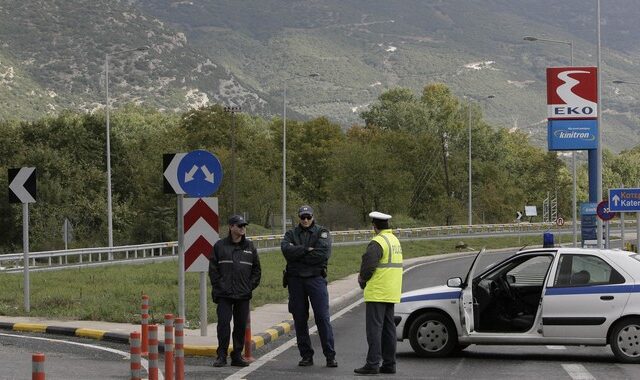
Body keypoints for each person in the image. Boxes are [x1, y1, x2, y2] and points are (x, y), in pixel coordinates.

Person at [281, 205, 338, 368]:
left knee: (322, 317)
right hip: (295, 281)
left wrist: (298, 254)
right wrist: (307, 250)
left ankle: (330, 355)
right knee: (299, 319)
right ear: (298, 217)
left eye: (308, 217)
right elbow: (286, 251)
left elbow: (322, 254)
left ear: (313, 217)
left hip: (315, 279)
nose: (305, 220)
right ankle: (306, 355)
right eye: (302, 217)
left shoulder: (322, 232)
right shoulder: (291, 234)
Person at [354, 211, 403, 375]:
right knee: (389, 329)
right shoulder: (394, 240)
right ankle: (389, 364)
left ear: (374, 226)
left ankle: (372, 364)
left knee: (374, 330)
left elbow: (368, 267)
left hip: (378, 291)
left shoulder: (377, 242)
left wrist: (362, 279)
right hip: (391, 291)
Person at [209, 215, 261, 367]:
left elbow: (257, 270)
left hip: (243, 294)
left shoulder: (250, 247)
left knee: (240, 327)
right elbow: (213, 270)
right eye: (239, 225)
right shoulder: (220, 246)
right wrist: (219, 287)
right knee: (223, 325)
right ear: (231, 227)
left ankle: (237, 355)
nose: (242, 228)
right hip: (224, 295)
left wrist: (249, 286)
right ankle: (221, 356)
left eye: (244, 225)